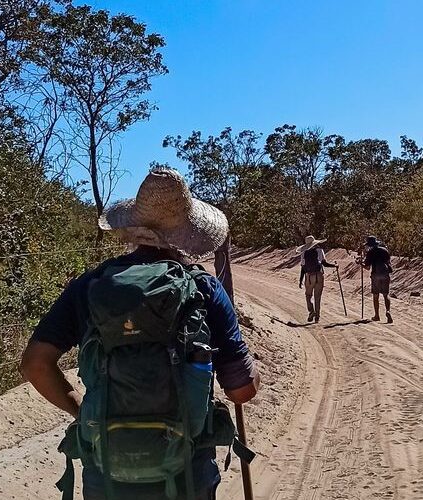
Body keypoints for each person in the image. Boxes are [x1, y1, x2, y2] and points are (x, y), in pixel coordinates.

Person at [20, 167, 259, 500]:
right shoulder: (203, 288)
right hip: (188, 475)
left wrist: (85, 412)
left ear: (131, 229)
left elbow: (34, 364)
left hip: (106, 477)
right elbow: (241, 392)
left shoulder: (90, 287)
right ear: (189, 233)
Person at [297, 235, 337, 323]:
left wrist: (300, 280)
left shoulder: (303, 252)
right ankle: (317, 317)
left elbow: (303, 268)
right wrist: (334, 266)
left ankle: (311, 311)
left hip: (309, 276)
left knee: (308, 295)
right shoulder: (319, 251)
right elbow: (324, 263)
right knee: (317, 297)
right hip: (319, 275)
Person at [358, 235, 392, 323]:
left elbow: (368, 267)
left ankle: (377, 315)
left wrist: (360, 264)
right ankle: (388, 311)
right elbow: (389, 262)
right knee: (386, 294)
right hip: (385, 273)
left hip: (376, 274)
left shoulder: (370, 252)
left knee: (375, 295)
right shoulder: (384, 250)